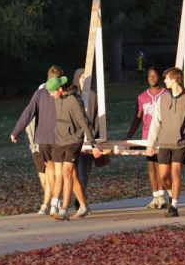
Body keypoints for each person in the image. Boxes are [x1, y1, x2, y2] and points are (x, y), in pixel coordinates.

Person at [146, 67, 185, 218]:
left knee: (175, 173)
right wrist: (150, 143)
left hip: (180, 144)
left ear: (174, 79)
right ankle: (171, 194)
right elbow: (155, 122)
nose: (164, 81)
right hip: (164, 143)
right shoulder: (163, 98)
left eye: (166, 78)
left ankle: (173, 206)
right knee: (163, 176)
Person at [10, 65, 63, 215]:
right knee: (58, 172)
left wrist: (16, 131)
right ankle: (55, 202)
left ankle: (53, 202)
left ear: (47, 78)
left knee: (50, 171)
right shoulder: (61, 92)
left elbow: (28, 112)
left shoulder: (39, 93)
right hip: (59, 137)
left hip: (43, 138)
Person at [50, 74, 96, 220]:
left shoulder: (75, 100)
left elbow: (84, 122)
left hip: (74, 140)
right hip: (60, 140)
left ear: (60, 88)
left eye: (52, 92)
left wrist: (93, 144)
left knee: (67, 173)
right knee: (73, 175)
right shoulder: (58, 100)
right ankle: (84, 206)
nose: (51, 95)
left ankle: (64, 209)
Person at [126, 66, 169, 210]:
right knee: (151, 166)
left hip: (163, 135)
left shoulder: (166, 94)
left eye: (155, 76)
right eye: (150, 76)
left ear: (160, 78)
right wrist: (130, 135)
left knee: (161, 166)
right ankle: (155, 196)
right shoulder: (142, 97)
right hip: (147, 136)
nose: (152, 78)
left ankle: (162, 196)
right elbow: (137, 118)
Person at [72, 67, 110, 212]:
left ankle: (81, 197)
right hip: (73, 138)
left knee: (84, 171)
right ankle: (80, 194)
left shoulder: (93, 96)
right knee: (72, 170)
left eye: (86, 76)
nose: (83, 78)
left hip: (89, 138)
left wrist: (97, 139)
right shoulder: (72, 96)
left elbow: (97, 118)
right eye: (81, 76)